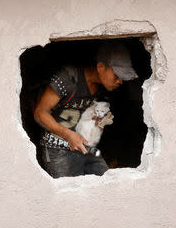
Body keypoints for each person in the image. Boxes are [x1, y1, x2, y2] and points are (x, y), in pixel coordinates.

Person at [34, 42, 138, 178]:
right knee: (70, 195)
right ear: (101, 67)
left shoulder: (103, 88)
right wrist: (68, 135)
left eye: (123, 77)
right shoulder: (68, 78)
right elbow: (40, 113)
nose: (120, 81)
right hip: (57, 150)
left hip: (85, 148)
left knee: (108, 184)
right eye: (117, 75)